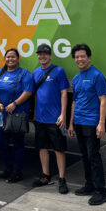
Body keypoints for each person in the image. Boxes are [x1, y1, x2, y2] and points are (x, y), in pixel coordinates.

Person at [68, 43, 106, 205]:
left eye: (82, 56)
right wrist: (71, 123)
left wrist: (101, 123)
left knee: (93, 156)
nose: (80, 59)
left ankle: (101, 191)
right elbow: (74, 102)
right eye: (77, 57)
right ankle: (89, 185)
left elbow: (103, 100)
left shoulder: (97, 75)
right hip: (78, 121)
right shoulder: (77, 78)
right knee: (84, 156)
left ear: (89, 58)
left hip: (91, 122)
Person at [0, 48, 33, 183]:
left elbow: (28, 91)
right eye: (8, 57)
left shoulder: (24, 74)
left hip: (17, 115)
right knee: (1, 143)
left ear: (18, 58)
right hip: (1, 115)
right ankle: (7, 168)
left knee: (18, 143)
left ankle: (17, 172)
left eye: (13, 57)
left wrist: (15, 103)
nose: (10, 59)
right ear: (5, 59)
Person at [31, 44, 70, 194]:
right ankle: (45, 175)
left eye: (45, 54)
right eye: (40, 54)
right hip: (40, 118)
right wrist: (34, 113)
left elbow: (64, 93)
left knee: (59, 149)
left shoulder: (58, 71)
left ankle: (61, 179)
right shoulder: (35, 73)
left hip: (55, 119)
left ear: (50, 55)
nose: (42, 56)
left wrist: (63, 114)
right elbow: (35, 94)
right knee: (42, 148)